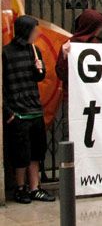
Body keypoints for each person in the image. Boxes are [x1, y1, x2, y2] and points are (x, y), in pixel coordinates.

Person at [3, 16, 55, 203]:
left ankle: (35, 188)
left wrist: (39, 70)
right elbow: (3, 86)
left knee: (36, 152)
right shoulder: (6, 53)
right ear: (26, 31)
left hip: (35, 109)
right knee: (20, 154)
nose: (38, 33)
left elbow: (39, 78)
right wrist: (9, 113)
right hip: (18, 112)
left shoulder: (35, 51)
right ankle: (20, 187)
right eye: (35, 30)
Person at [56, 9, 102, 140]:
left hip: (95, 100)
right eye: (98, 26)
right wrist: (64, 56)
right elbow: (61, 74)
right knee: (74, 137)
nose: (101, 30)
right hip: (74, 100)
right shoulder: (69, 45)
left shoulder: (97, 45)